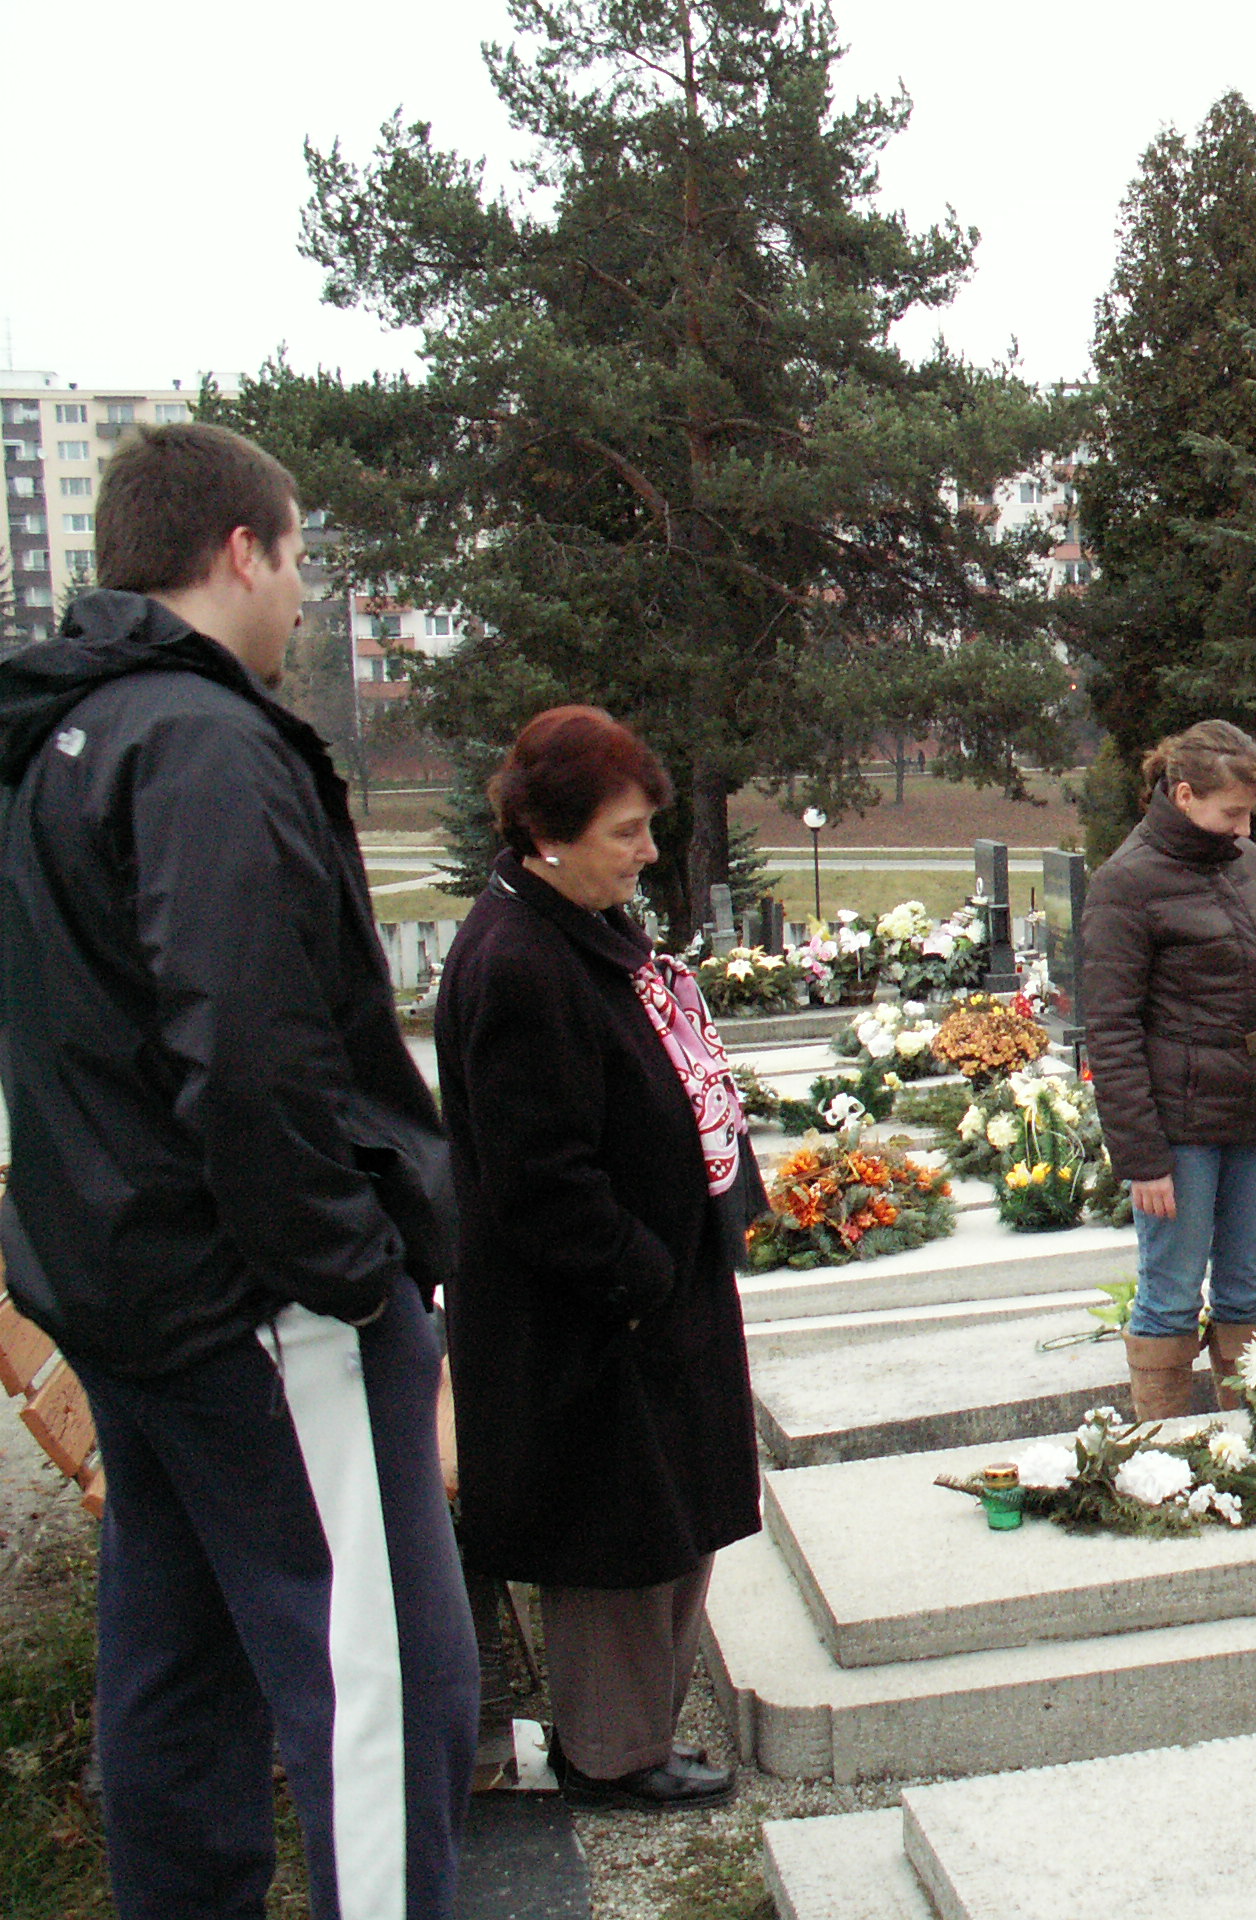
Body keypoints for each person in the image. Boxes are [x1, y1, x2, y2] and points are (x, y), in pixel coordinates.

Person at [0, 423, 476, 1918]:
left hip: (128, 1293)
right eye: (300, 559)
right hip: (260, 1306)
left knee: (181, 1669)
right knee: (378, 1682)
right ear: (242, 550)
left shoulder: (60, 737)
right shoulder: (202, 744)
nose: (303, 595)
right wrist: (349, 1273)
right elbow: (250, 1052)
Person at [434, 707, 764, 1812]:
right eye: (625, 832)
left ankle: (630, 1734)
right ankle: (610, 1755)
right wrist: (643, 1275)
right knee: (619, 1542)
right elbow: (539, 1175)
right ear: (548, 834)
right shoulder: (519, 961)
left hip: (642, 1297)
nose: (648, 853)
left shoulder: (575, 925)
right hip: (593, 1314)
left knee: (669, 1522)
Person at [1082, 721, 1256, 1418]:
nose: (1244, 830)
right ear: (1184, 796)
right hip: (1179, 1129)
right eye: (1232, 813)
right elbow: (1112, 1030)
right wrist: (1142, 1158)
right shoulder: (1126, 882)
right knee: (1171, 1294)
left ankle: (1252, 1438)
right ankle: (1163, 1450)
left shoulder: (1245, 861)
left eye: (1250, 815)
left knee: (1250, 1290)